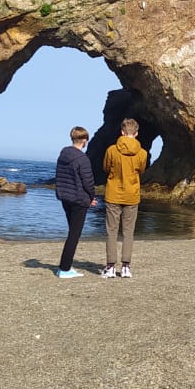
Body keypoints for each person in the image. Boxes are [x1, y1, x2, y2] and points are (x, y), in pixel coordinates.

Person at [101, 117, 149, 278]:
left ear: (122, 132)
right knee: (128, 232)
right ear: (136, 133)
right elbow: (141, 170)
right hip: (132, 194)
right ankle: (126, 266)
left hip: (113, 193)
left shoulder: (111, 150)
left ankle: (110, 266)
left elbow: (106, 167)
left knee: (111, 231)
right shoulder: (142, 153)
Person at [53, 126, 97, 278]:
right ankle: (64, 269)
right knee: (74, 234)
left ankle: (65, 267)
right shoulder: (82, 159)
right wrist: (91, 197)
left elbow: (60, 176)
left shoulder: (63, 154)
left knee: (72, 232)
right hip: (78, 199)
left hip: (65, 197)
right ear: (84, 140)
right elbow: (88, 182)